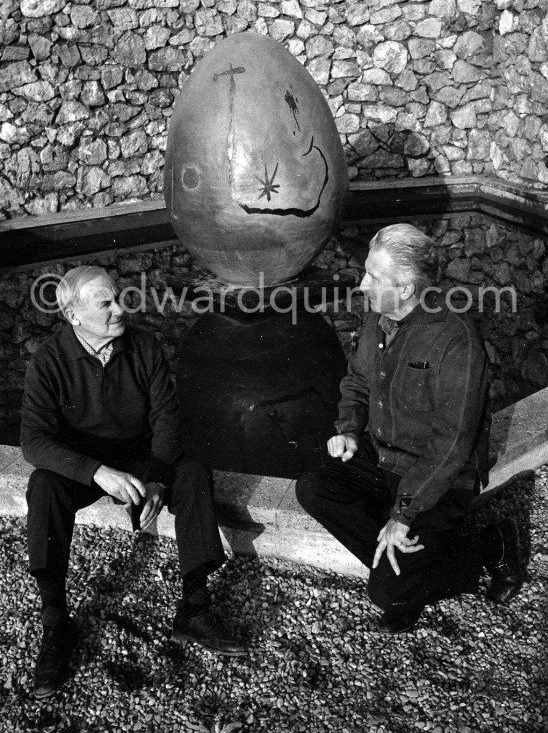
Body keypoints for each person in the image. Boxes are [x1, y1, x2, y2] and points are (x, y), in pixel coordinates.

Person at [21, 265, 246, 700]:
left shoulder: (143, 346)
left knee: (194, 473)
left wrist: (159, 478)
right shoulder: (48, 361)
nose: (120, 309)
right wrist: (96, 473)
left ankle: (194, 608)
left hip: (142, 458)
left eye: (118, 297)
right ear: (74, 315)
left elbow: (166, 417)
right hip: (88, 465)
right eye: (105, 303)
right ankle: (55, 621)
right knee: (44, 484)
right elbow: (33, 440)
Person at [296, 223, 522, 634]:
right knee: (314, 487)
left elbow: (452, 445)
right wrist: (349, 429)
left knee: (386, 595)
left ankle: (492, 546)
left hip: (438, 476)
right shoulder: (378, 315)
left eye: (373, 277)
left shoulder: (456, 339)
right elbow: (358, 381)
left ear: (405, 288)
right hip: (384, 454)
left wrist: (403, 514)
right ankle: (407, 570)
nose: (362, 284)